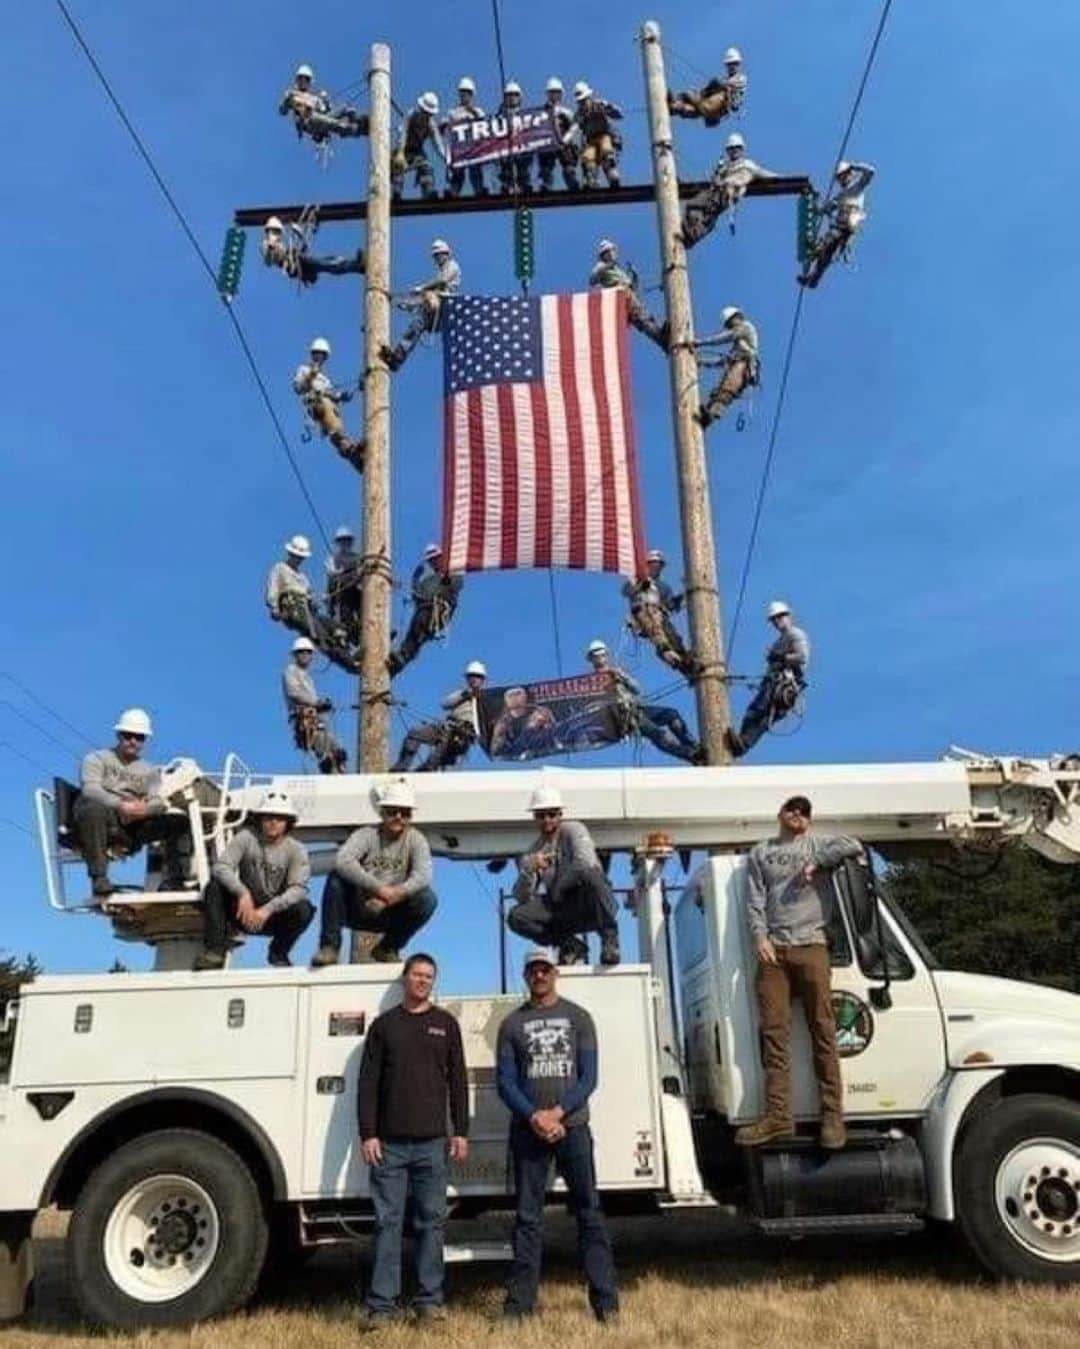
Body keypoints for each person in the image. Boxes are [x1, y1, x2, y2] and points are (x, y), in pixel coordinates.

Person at [497, 948, 619, 1324]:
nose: (539, 975)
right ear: (525, 975)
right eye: (533, 969)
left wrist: (558, 1113)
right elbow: (505, 1081)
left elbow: (589, 1077)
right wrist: (534, 1116)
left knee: (590, 1214)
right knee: (528, 1218)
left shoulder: (579, 1017)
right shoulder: (511, 1024)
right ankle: (519, 1308)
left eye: (545, 969)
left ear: (555, 973)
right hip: (528, 1133)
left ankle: (606, 1305)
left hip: (574, 1128)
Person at [736, 796, 863, 1150]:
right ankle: (778, 1117)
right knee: (774, 1035)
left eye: (805, 812)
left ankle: (833, 1116)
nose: (799, 815)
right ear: (780, 814)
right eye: (793, 809)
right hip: (774, 950)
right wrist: (759, 936)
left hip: (813, 945)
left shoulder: (819, 844)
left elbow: (853, 845)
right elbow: (754, 899)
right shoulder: (760, 852)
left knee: (823, 1029)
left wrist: (817, 862)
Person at [356, 953, 469, 1327]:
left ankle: (429, 1303)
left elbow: (457, 1082)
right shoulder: (384, 1026)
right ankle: (381, 1308)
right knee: (388, 1224)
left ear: (433, 983)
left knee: (430, 1224)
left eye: (429, 977)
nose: (422, 981)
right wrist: (368, 1133)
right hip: (388, 1146)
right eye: (417, 975)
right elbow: (368, 1083)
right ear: (405, 979)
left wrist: (461, 1132)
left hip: (433, 1145)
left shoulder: (445, 1024)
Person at [311, 781, 437, 966]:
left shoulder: (416, 840)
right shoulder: (367, 834)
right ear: (382, 812)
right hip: (358, 907)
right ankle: (330, 948)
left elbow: (423, 875)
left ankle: (387, 948)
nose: (399, 817)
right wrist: (378, 889)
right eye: (393, 811)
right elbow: (343, 861)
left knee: (427, 899)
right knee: (336, 879)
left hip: (391, 911)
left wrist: (394, 895)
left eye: (405, 813)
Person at [73, 708, 192, 898]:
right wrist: (119, 804)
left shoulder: (149, 771)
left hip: (133, 823)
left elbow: (158, 801)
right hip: (104, 816)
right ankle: (99, 877)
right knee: (92, 806)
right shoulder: (96, 759)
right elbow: (90, 789)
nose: (133, 741)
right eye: (128, 736)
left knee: (179, 822)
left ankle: (176, 880)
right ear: (118, 735)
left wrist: (144, 810)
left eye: (139, 737)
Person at [193, 789, 314, 970]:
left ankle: (278, 953)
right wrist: (242, 893)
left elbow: (299, 889)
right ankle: (215, 952)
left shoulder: (297, 850)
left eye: (280, 818)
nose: (273, 822)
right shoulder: (246, 837)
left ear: (288, 823)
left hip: (273, 917)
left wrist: (267, 909)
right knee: (214, 887)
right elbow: (221, 866)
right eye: (268, 817)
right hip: (244, 912)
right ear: (260, 819)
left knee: (304, 909)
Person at [507, 787, 620, 966]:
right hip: (562, 909)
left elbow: (584, 862)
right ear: (535, 817)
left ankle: (609, 940)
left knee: (591, 874)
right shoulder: (534, 850)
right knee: (516, 917)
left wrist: (559, 887)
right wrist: (529, 870)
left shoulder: (574, 829)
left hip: (591, 903)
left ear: (560, 814)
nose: (547, 820)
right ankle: (569, 944)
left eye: (551, 814)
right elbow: (521, 897)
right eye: (541, 815)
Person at [586, 640, 702, 765]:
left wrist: (622, 677)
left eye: (602, 655)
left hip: (636, 709)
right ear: (592, 659)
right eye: (596, 656)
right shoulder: (590, 683)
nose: (600, 658)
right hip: (623, 718)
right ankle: (691, 755)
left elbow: (637, 689)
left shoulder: (616, 673)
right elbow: (591, 706)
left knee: (671, 715)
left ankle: (693, 746)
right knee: (658, 734)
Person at [266, 534, 360, 672]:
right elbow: (273, 588)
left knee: (335, 627)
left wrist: (316, 602)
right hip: (293, 610)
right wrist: (274, 608)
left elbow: (310, 596)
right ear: (290, 553)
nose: (298, 559)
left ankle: (350, 649)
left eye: (301, 557)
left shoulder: (303, 578)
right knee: (322, 637)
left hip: (308, 611)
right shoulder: (280, 568)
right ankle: (349, 663)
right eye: (296, 555)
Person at [727, 601, 809, 758]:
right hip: (772, 682)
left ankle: (743, 744)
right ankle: (740, 741)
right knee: (754, 711)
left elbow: (802, 656)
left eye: (780, 617)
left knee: (763, 715)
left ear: (788, 616)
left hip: (784, 685)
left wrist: (781, 657)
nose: (777, 621)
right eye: (774, 619)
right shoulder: (779, 641)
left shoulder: (796, 634)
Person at [681, 132, 778, 249]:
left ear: (742, 149)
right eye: (731, 149)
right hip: (715, 191)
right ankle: (689, 229)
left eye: (736, 148)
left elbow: (765, 174)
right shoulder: (726, 167)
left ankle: (692, 236)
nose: (734, 151)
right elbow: (715, 179)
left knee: (709, 215)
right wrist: (717, 176)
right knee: (692, 205)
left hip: (727, 193)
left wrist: (786, 179)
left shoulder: (749, 166)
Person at [380, 241, 462, 372]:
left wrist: (421, 287)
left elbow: (442, 281)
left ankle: (397, 358)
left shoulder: (453, 265)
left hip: (444, 307)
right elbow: (424, 299)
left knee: (427, 299)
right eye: (435, 256)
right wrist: (402, 303)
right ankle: (396, 358)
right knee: (415, 327)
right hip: (434, 309)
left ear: (446, 254)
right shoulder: (441, 274)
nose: (436, 259)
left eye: (438, 255)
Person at [393, 661, 486, 772]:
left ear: (483, 680)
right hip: (446, 727)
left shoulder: (486, 699)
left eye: (477, 676)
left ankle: (424, 772)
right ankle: (401, 768)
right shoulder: (461, 693)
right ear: (467, 678)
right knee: (415, 733)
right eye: (471, 676)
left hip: (461, 734)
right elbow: (445, 704)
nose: (474, 679)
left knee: (435, 759)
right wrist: (465, 695)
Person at [386, 544, 464, 673]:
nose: (433, 562)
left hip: (438, 611)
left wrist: (446, 581)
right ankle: (400, 659)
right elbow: (418, 594)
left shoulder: (453, 573)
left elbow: (455, 586)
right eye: (431, 560)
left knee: (419, 627)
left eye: (436, 559)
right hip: (424, 610)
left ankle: (403, 655)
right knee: (413, 632)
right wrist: (415, 579)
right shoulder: (428, 581)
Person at [799, 159, 876, 289]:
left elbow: (870, 172)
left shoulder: (857, 186)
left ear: (849, 174)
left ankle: (817, 250)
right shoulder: (840, 196)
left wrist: (853, 166)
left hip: (849, 219)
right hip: (841, 220)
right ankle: (814, 278)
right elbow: (827, 209)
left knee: (831, 238)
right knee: (827, 253)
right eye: (839, 179)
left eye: (843, 176)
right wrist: (820, 208)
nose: (841, 181)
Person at [292, 337, 364, 469]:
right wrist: (311, 375)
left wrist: (344, 395)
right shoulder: (303, 369)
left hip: (330, 408)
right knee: (335, 430)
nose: (320, 358)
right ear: (313, 354)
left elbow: (332, 394)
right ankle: (352, 451)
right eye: (318, 354)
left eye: (323, 356)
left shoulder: (325, 379)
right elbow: (298, 388)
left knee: (337, 433)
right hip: (317, 404)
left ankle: (355, 458)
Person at [622, 548, 694, 675]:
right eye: (654, 564)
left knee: (674, 637)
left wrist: (681, 597)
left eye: (659, 565)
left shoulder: (663, 587)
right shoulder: (637, 579)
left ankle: (685, 662)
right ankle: (672, 657)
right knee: (660, 640)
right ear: (647, 564)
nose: (657, 567)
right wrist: (640, 586)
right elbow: (626, 592)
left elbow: (670, 605)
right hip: (643, 613)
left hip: (660, 614)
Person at [283, 637, 347, 775]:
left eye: (308, 652)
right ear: (295, 655)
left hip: (318, 721)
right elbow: (294, 693)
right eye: (302, 652)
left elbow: (312, 700)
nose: (306, 655)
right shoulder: (291, 670)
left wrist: (323, 704)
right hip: (305, 721)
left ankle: (340, 773)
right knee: (323, 751)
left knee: (338, 750)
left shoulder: (308, 677)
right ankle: (330, 776)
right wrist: (317, 703)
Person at [589, 240, 669, 351]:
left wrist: (634, 277)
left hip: (629, 295)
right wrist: (607, 266)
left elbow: (633, 287)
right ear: (605, 254)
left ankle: (660, 336)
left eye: (614, 251)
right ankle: (661, 338)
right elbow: (592, 280)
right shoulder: (601, 266)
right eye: (611, 251)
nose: (614, 254)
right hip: (621, 295)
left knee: (645, 318)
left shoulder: (618, 271)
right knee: (642, 319)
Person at [694, 304, 759, 429]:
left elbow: (724, 338)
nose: (729, 327)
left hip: (745, 365)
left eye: (730, 324)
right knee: (718, 392)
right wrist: (702, 362)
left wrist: (699, 342)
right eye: (728, 325)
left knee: (726, 391)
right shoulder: (738, 345)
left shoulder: (746, 327)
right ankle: (707, 416)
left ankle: (711, 415)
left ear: (737, 317)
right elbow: (723, 360)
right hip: (737, 364)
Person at [260, 211, 365, 287]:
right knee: (327, 264)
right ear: (269, 231)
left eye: (278, 232)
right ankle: (356, 266)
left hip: (299, 261)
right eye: (275, 231)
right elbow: (270, 260)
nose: (278, 235)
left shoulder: (282, 245)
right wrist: (272, 246)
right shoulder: (266, 245)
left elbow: (302, 249)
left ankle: (355, 265)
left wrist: (299, 234)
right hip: (296, 265)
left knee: (330, 260)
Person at [278, 63, 369, 144]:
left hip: (319, 119)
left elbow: (325, 111)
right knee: (336, 123)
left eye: (306, 79)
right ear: (297, 80)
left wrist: (325, 102)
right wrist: (286, 101)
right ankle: (354, 129)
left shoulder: (314, 98)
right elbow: (282, 111)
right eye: (301, 78)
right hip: (308, 121)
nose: (303, 81)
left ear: (309, 82)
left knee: (347, 109)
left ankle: (359, 123)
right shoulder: (293, 94)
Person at [668, 46, 747, 125]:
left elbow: (727, 85)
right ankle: (674, 107)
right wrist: (706, 90)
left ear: (739, 64)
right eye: (729, 64)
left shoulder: (740, 78)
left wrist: (713, 85)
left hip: (719, 105)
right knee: (693, 110)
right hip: (712, 107)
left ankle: (676, 102)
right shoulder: (725, 79)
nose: (732, 66)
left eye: (734, 63)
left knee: (689, 96)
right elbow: (715, 87)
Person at [565, 83, 623, 189]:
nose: (582, 103)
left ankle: (612, 177)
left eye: (584, 100)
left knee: (606, 151)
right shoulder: (579, 114)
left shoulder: (599, 105)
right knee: (588, 157)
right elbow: (573, 129)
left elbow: (618, 115)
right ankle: (592, 180)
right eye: (580, 102)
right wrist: (564, 141)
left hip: (605, 135)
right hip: (591, 139)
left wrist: (610, 108)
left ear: (589, 97)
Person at [392, 93, 447, 201]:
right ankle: (396, 192)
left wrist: (446, 159)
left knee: (426, 166)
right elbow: (403, 134)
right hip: (404, 149)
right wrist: (400, 152)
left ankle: (428, 191)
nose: (427, 115)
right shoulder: (411, 115)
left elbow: (438, 144)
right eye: (425, 112)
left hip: (417, 151)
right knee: (398, 167)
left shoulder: (431, 124)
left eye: (429, 114)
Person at [443, 77, 488, 197]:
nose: (464, 96)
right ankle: (454, 191)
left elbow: (485, 125)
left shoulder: (478, 111)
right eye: (462, 93)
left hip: (474, 148)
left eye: (467, 93)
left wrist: (472, 113)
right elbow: (443, 126)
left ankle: (479, 190)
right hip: (459, 149)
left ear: (472, 95)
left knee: (475, 170)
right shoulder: (453, 113)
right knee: (457, 172)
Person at [536, 77, 578, 191]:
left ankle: (572, 182)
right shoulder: (541, 113)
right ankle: (546, 183)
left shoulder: (566, 112)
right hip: (548, 142)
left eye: (557, 92)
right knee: (545, 165)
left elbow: (574, 126)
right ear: (548, 94)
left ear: (561, 94)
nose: (554, 95)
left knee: (568, 163)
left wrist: (566, 139)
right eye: (552, 92)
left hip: (562, 141)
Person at [324, 525, 362, 645]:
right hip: (342, 592)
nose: (345, 543)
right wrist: (329, 599)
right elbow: (331, 576)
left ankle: (364, 637)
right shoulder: (333, 559)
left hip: (356, 590)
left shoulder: (358, 558)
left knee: (364, 612)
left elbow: (363, 573)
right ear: (338, 543)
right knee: (346, 617)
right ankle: (353, 639)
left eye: (347, 540)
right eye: (342, 541)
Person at [495, 81, 533, 195]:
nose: (512, 98)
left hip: (522, 149)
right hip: (505, 149)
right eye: (509, 95)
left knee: (523, 168)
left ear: (519, 97)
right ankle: (508, 185)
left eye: (515, 95)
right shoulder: (500, 115)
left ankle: (523, 185)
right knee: (506, 170)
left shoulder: (527, 114)